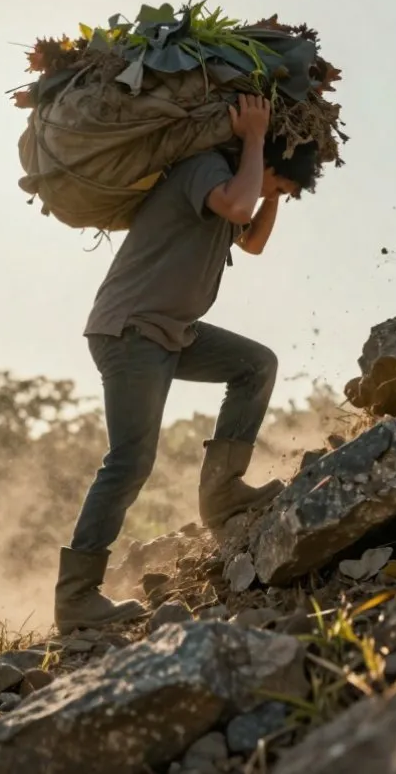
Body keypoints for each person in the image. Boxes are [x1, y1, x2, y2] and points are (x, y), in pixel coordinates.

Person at [54, 94, 322, 632]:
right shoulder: (206, 169)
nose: (276, 194)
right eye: (280, 184)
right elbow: (240, 208)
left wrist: (277, 191)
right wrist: (255, 138)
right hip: (131, 330)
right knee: (130, 460)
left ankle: (221, 493)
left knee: (255, 365)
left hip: (171, 332)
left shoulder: (237, 188)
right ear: (261, 163)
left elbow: (253, 241)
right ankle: (76, 596)